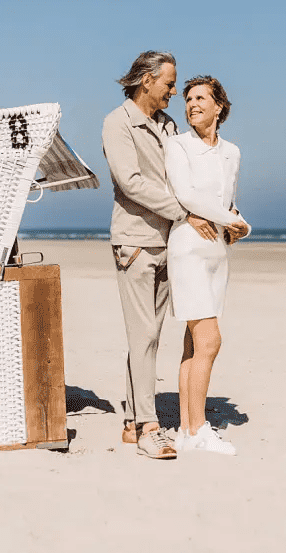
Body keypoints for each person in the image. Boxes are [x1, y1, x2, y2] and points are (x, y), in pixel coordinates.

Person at [101, 51, 214, 460]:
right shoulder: (117, 123)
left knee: (150, 336)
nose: (174, 91)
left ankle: (133, 420)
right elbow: (130, 182)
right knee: (143, 334)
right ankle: (149, 427)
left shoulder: (168, 126)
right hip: (134, 243)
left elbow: (186, 178)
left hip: (171, 244)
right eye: (169, 83)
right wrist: (184, 211)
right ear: (146, 80)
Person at [164, 75, 250, 455]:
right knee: (211, 340)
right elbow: (186, 194)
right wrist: (231, 221)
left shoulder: (232, 152)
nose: (192, 104)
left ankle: (186, 429)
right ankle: (199, 429)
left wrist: (236, 223)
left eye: (201, 98)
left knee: (194, 342)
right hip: (187, 249)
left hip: (216, 253)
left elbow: (226, 202)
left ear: (219, 107)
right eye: (188, 99)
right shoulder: (177, 145)